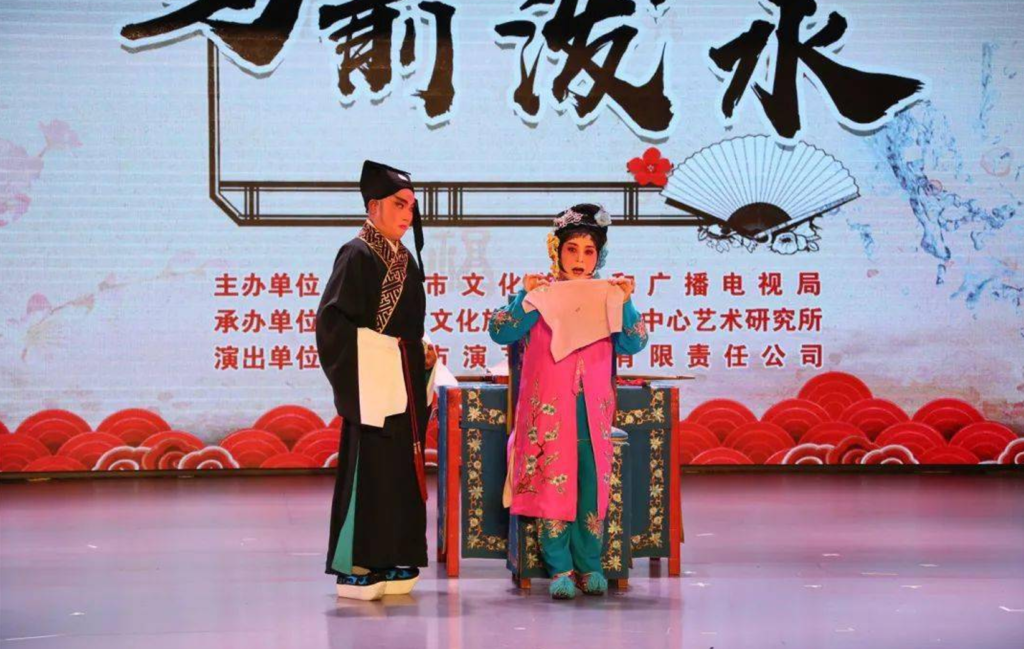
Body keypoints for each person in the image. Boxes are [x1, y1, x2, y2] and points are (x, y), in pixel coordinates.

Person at [488, 203, 648, 599]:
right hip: (549, 408)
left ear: (599, 256)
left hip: (592, 408)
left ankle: (589, 564)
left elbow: (634, 342)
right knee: (553, 482)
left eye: (589, 251)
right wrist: (523, 296)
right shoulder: (541, 294)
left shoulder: (609, 295)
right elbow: (501, 332)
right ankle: (559, 566)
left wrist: (626, 301)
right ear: (556, 251)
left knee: (591, 482)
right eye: (572, 249)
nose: (580, 259)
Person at [316, 160, 438, 601]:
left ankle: (394, 554)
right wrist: (384, 352)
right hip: (372, 383)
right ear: (373, 207)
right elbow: (332, 324)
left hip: (401, 380)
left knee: (399, 473)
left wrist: (421, 350)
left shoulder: (404, 259)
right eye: (399, 204)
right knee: (368, 472)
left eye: (411, 207)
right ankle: (357, 563)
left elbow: (410, 327)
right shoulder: (356, 254)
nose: (407, 214)